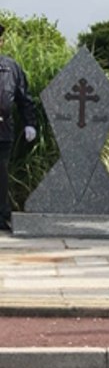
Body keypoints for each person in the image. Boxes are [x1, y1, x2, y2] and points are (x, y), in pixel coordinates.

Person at [0, 22, 38, 232]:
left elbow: (25, 99)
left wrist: (30, 123)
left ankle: (1, 215)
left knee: (1, 176)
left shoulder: (11, 68)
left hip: (2, 131)